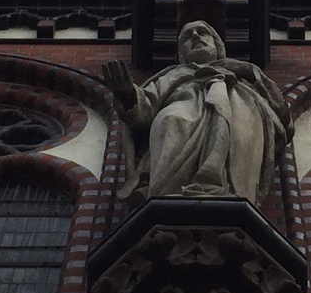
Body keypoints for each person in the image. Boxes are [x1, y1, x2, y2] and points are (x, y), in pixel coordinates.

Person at [103, 21, 289, 207]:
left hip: (239, 113)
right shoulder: (171, 75)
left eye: (202, 32)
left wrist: (250, 72)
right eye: (187, 36)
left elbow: (280, 110)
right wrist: (127, 95)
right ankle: (167, 198)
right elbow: (145, 107)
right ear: (181, 53)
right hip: (181, 112)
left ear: (218, 45)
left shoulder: (245, 74)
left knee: (241, 136)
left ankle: (233, 193)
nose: (195, 36)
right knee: (172, 121)